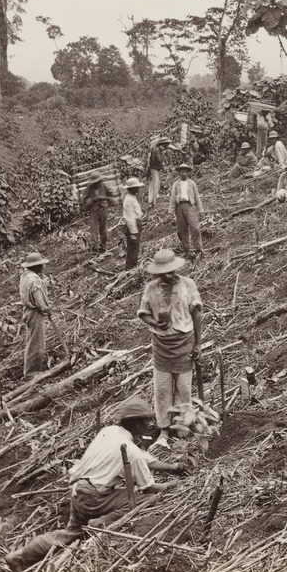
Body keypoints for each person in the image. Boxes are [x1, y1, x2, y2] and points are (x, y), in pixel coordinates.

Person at [4, 397, 186, 572]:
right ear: (137, 424)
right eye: (147, 421)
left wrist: (171, 467)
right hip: (94, 497)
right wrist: (172, 485)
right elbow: (148, 487)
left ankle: (20, 556)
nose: (150, 425)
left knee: (70, 535)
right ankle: (100, 524)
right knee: (142, 500)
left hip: (78, 492)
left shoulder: (109, 432)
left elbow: (144, 459)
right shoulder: (131, 452)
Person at [137, 250, 203, 450]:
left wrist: (198, 343)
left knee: (183, 388)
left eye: (173, 270)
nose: (170, 275)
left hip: (184, 342)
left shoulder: (187, 284)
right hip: (161, 344)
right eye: (165, 272)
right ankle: (164, 428)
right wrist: (155, 322)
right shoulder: (151, 289)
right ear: (157, 273)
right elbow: (143, 313)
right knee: (163, 389)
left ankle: (182, 423)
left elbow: (196, 313)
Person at [19, 252, 52, 376]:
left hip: (28, 311)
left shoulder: (25, 276)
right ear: (37, 266)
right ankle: (32, 372)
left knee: (31, 340)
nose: (43, 267)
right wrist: (45, 309)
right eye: (41, 265)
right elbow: (39, 300)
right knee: (37, 343)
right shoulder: (35, 280)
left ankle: (29, 370)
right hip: (35, 313)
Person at [169, 163, 204, 259]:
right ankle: (186, 250)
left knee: (195, 228)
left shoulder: (192, 183)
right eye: (181, 172)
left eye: (185, 171)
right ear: (179, 173)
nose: (183, 173)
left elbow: (197, 197)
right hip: (179, 207)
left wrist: (201, 210)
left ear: (188, 173)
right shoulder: (176, 184)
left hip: (190, 206)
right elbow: (172, 198)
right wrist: (170, 212)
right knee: (182, 230)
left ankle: (199, 249)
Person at [81, 175, 118, 252]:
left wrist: (106, 198)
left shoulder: (103, 186)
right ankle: (94, 247)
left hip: (103, 209)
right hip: (94, 211)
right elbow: (84, 200)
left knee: (103, 229)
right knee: (94, 229)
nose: (97, 183)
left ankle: (103, 246)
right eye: (96, 182)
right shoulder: (89, 188)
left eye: (98, 182)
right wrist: (93, 200)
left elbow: (110, 194)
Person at [121, 177, 144, 271]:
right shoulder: (129, 200)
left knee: (135, 249)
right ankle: (130, 270)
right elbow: (130, 218)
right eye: (137, 187)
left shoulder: (131, 198)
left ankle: (133, 268)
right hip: (133, 226)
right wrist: (133, 233)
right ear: (132, 189)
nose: (138, 189)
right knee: (133, 250)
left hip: (135, 224)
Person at [144, 138, 167, 207]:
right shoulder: (157, 150)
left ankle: (151, 199)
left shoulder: (159, 150)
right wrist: (163, 167)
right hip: (154, 168)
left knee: (153, 183)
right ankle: (154, 201)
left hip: (155, 168)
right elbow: (159, 160)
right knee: (155, 184)